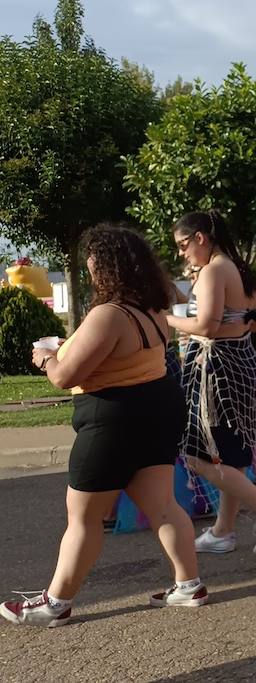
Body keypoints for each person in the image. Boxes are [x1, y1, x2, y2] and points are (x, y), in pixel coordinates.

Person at [2, 225, 206, 627]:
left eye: (93, 262)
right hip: (156, 410)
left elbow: (63, 376)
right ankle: (189, 585)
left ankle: (55, 603)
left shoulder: (109, 314)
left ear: (107, 266)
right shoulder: (151, 311)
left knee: (84, 517)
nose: (90, 269)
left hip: (114, 420)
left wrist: (45, 357)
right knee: (163, 505)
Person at [168, 212, 256, 556]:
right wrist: (234, 321)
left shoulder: (212, 271)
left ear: (200, 238)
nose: (181, 253)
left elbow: (206, 326)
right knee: (232, 453)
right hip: (243, 362)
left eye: (182, 245)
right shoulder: (239, 269)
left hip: (218, 371)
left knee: (198, 454)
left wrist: (167, 319)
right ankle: (222, 531)